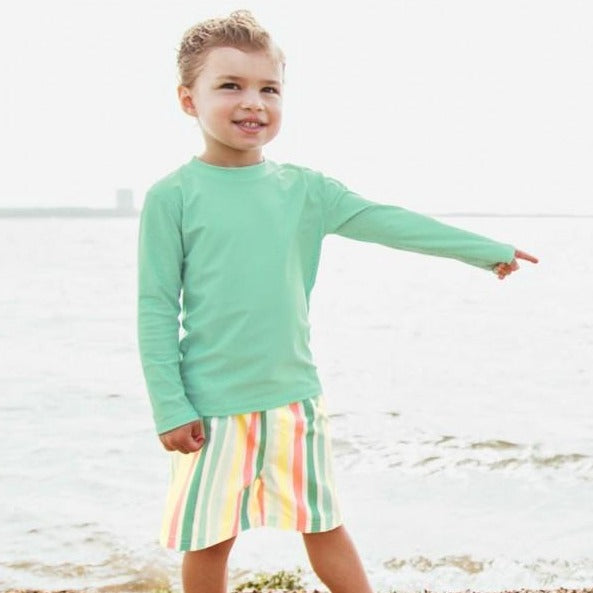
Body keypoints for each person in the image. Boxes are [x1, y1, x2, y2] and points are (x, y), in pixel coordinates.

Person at [137, 10, 538, 593]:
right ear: (187, 99)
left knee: (324, 526)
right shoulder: (171, 196)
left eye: (269, 89)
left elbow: (387, 222)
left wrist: (486, 250)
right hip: (211, 408)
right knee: (210, 541)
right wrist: (169, 406)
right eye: (230, 85)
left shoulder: (306, 190)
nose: (253, 102)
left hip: (295, 402)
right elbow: (154, 308)